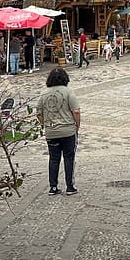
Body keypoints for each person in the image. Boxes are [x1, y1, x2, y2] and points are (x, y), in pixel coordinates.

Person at [36, 67, 80, 196]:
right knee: (69, 157)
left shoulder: (44, 94)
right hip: (67, 130)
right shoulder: (68, 92)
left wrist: (45, 123)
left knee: (54, 159)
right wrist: (77, 125)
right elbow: (76, 111)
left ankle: (53, 186)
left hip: (51, 131)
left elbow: (38, 112)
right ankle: (70, 186)